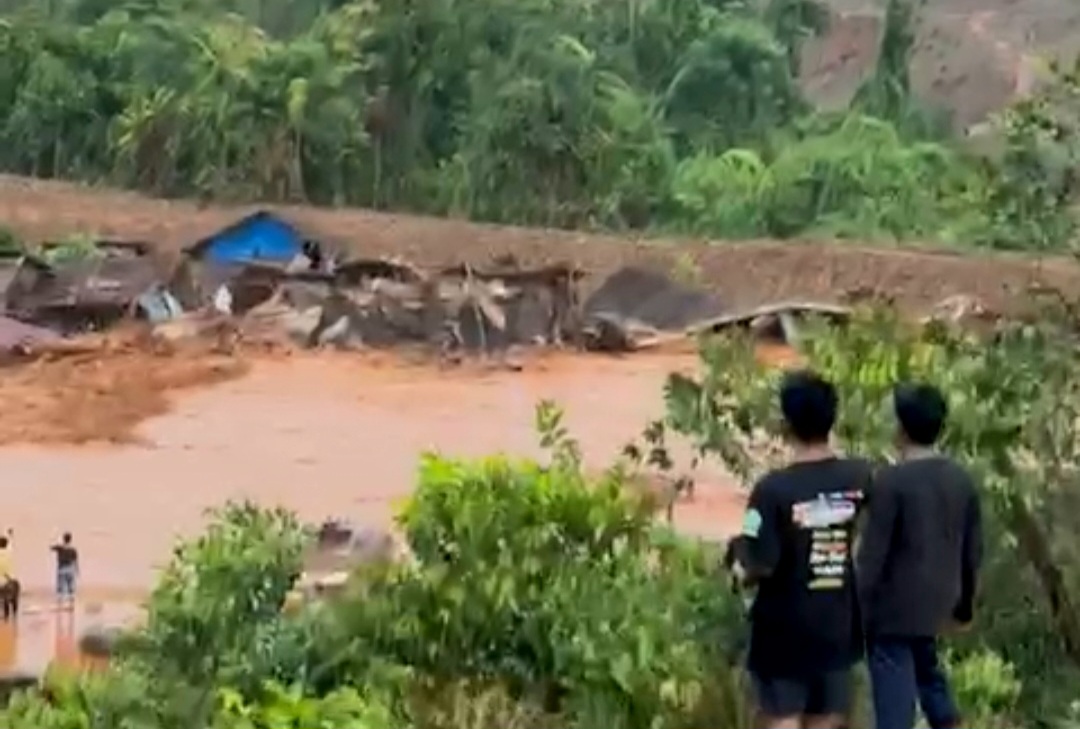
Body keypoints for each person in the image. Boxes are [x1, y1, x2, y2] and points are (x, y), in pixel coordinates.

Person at [727, 370, 873, 729]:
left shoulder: (771, 490)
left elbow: (758, 561)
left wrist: (736, 566)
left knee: (782, 721)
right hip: (837, 629)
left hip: (783, 636)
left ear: (786, 423)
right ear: (833, 417)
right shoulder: (861, 478)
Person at [857, 382, 983, 729]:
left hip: (893, 613)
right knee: (927, 670)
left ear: (900, 428)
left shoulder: (891, 482)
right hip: (938, 603)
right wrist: (965, 605)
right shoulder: (960, 479)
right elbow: (972, 550)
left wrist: (854, 610)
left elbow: (872, 558)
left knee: (894, 700)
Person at [51, 532, 80, 609]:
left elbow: (51, 548)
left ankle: (59, 605)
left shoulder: (60, 548)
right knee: (71, 588)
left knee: (60, 588)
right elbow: (75, 562)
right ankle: (71, 605)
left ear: (63, 539)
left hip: (61, 568)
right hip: (70, 569)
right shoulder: (73, 550)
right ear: (70, 540)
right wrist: (77, 571)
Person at [0, 530, 17, 620]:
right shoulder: (9, 552)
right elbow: (10, 544)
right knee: (12, 595)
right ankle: (13, 615)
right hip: (8, 580)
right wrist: (10, 534)